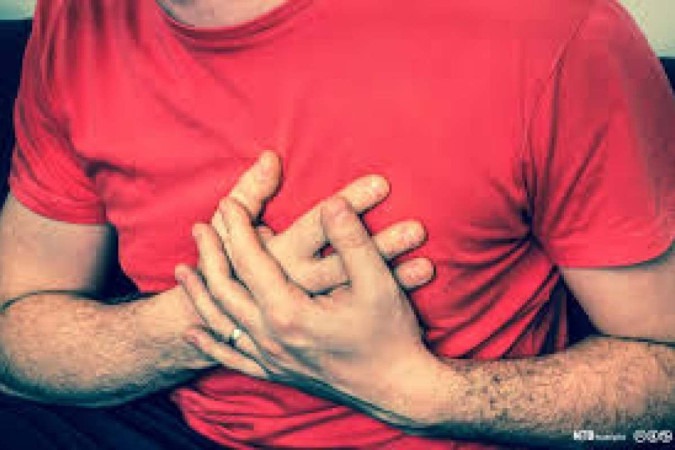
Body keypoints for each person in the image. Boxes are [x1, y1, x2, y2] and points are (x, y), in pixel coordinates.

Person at [0, 0, 673, 449]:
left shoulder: (552, 29)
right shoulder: (74, 20)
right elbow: (13, 333)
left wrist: (423, 395)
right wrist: (211, 318)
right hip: (179, 428)